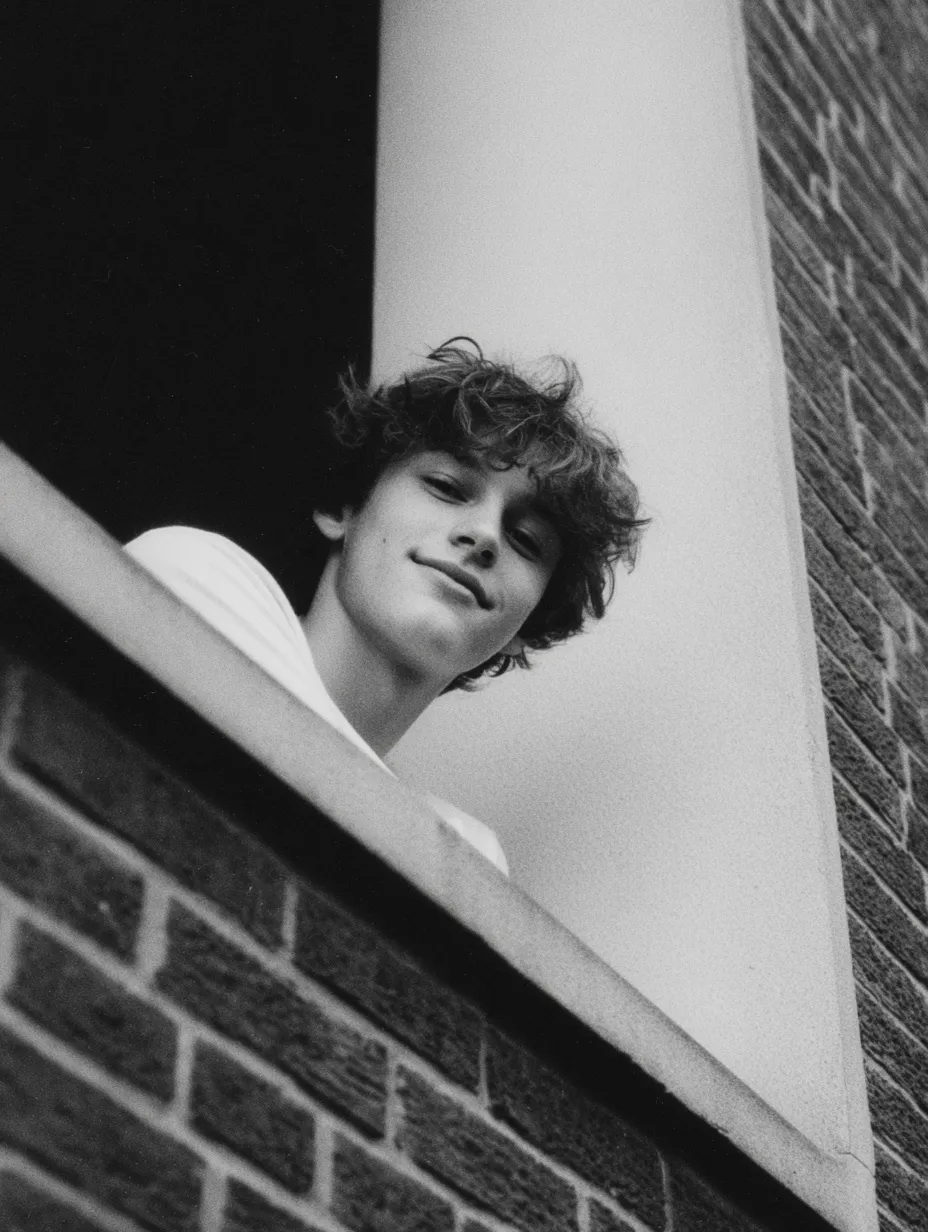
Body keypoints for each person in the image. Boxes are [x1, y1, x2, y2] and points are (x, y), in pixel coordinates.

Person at [126, 339, 645, 873]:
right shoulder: (195, 575)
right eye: (446, 486)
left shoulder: (468, 849)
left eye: (527, 540)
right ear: (345, 505)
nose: (485, 535)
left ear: (526, 626)